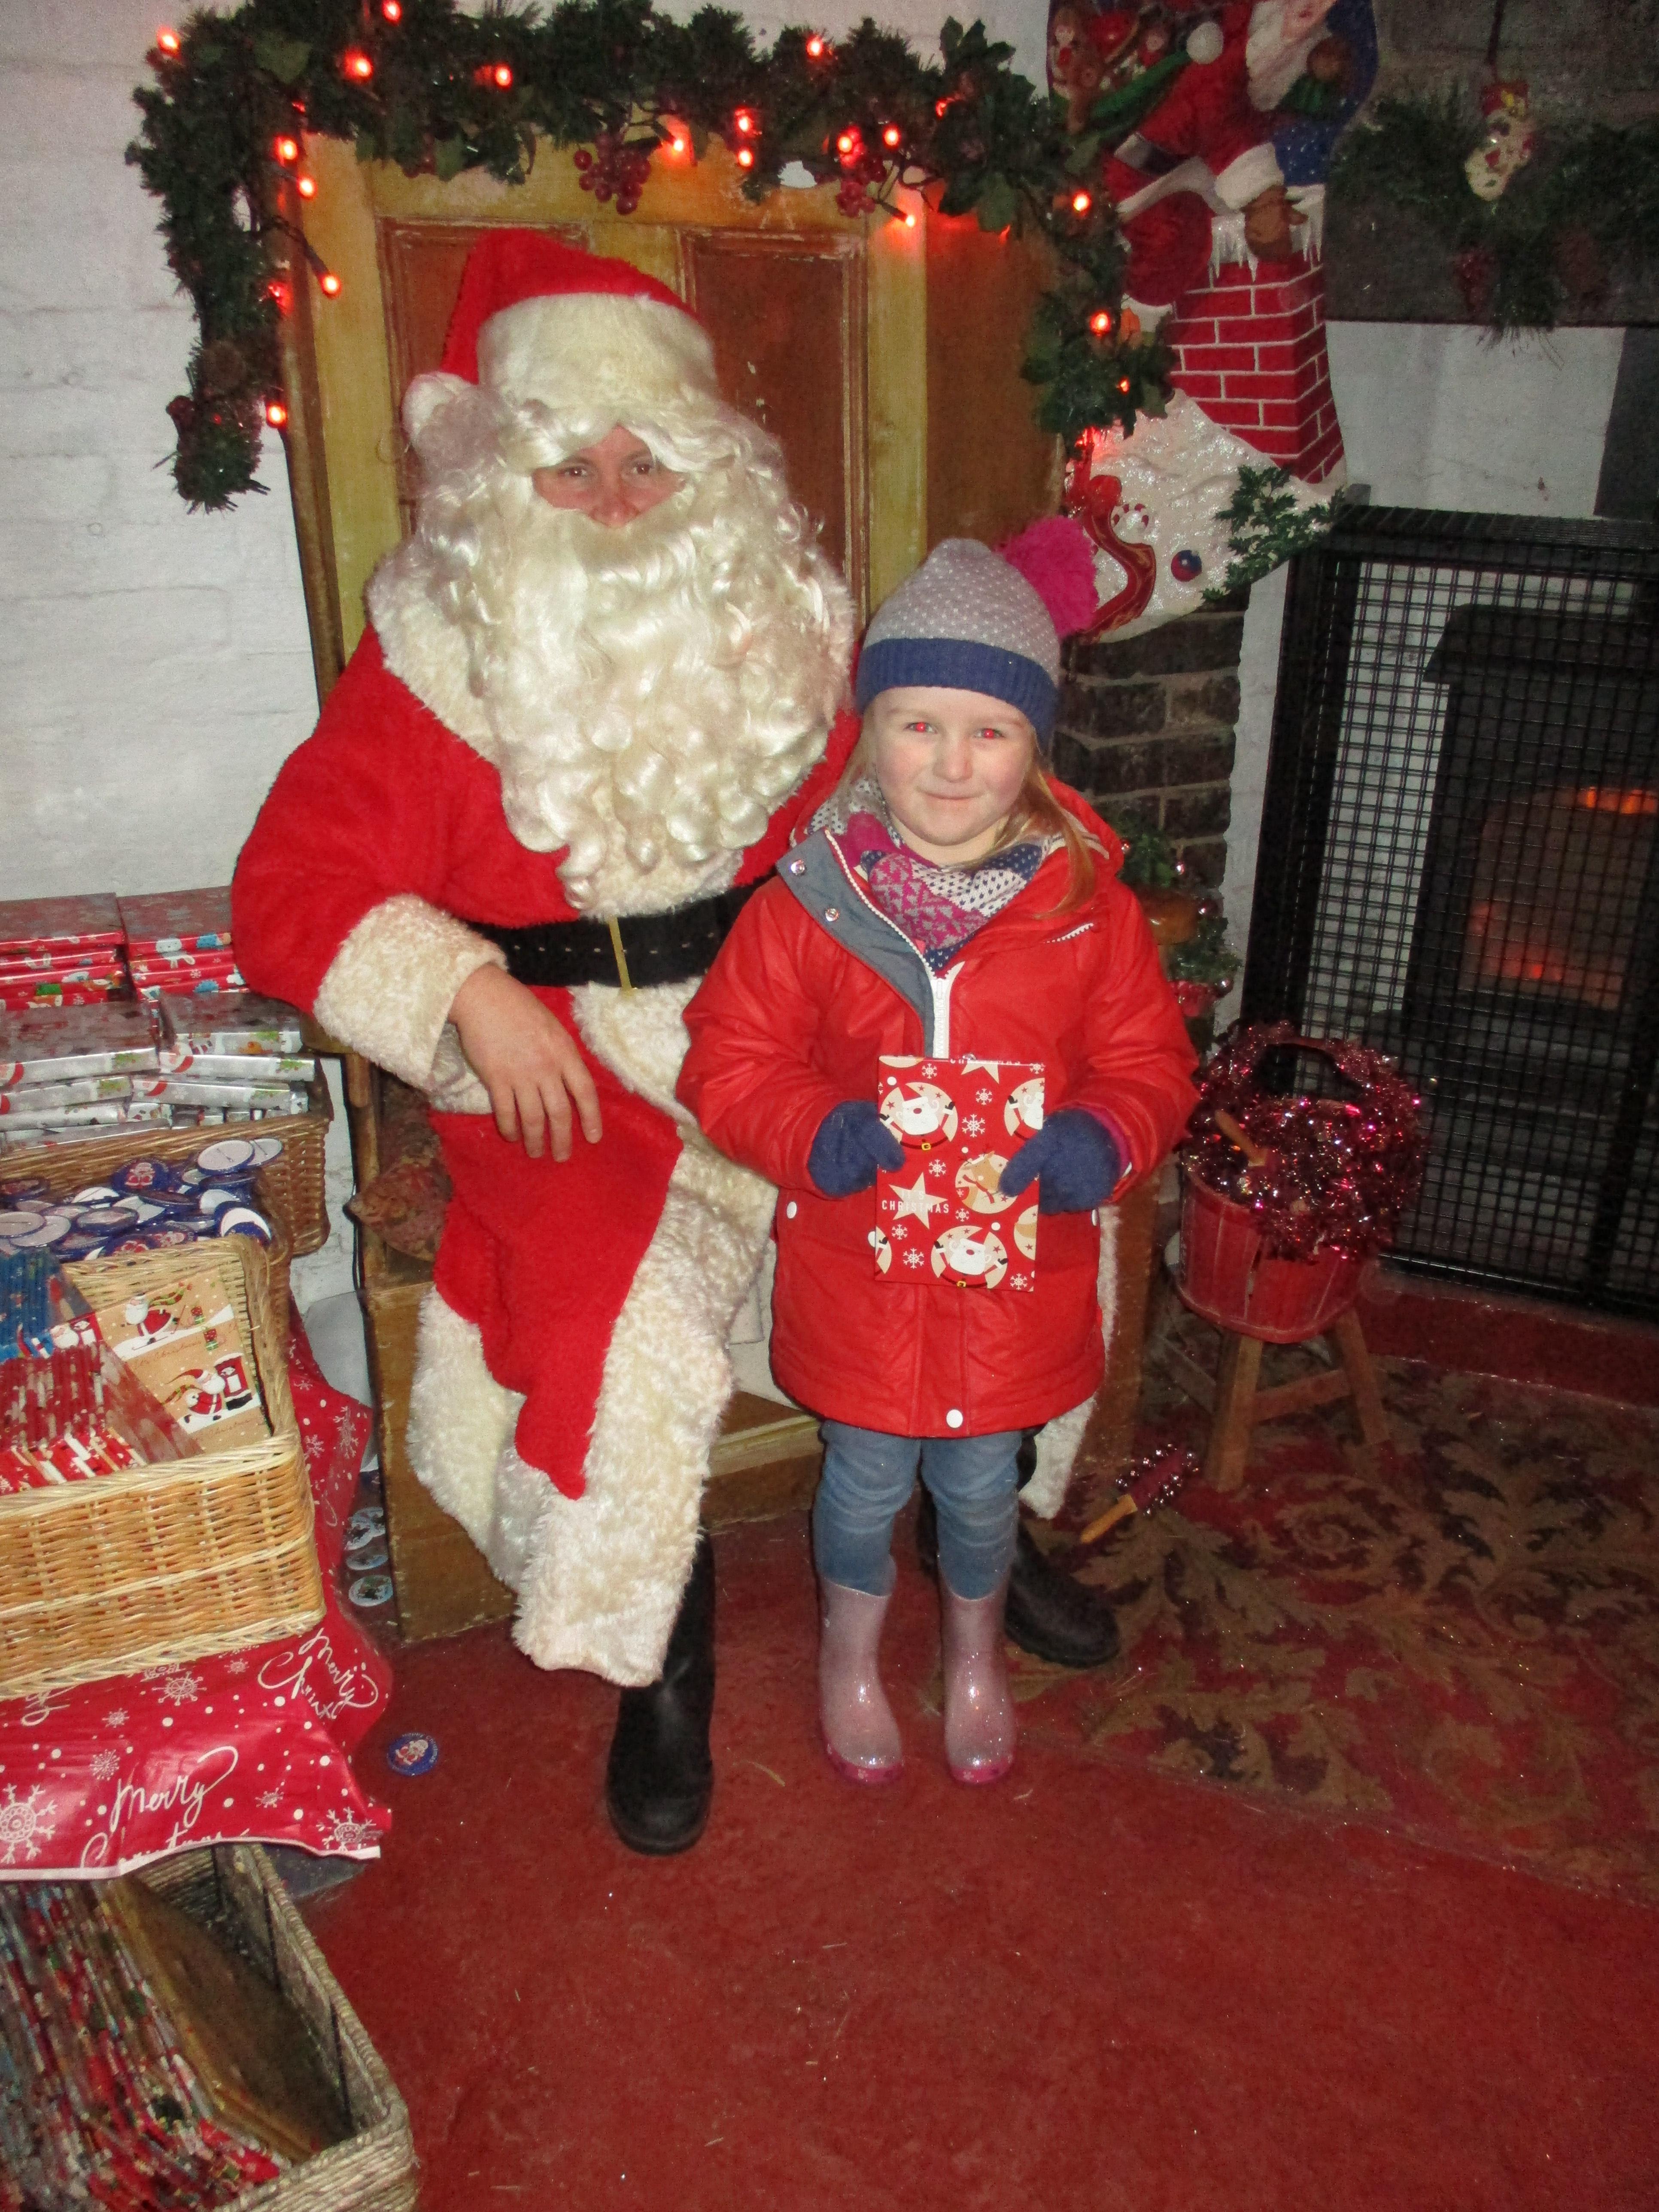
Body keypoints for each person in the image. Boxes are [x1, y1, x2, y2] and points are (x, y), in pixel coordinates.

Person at [233, 230, 858, 1855]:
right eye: (571, 465)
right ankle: (661, 1662)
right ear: (504, 476)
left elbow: (891, 837)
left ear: (706, 470)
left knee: (970, 1197)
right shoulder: (433, 657)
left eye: (646, 460)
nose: (614, 499)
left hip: (773, 1028)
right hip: (564, 1071)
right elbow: (290, 893)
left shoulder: (781, 628)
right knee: (633, 1330)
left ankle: (994, 1540)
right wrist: (464, 992)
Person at [676, 538, 1197, 1786]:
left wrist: (1104, 1136)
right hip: (857, 1273)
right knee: (860, 1484)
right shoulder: (803, 905)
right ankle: (849, 1659)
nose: (953, 765)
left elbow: (1151, 1066)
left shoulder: (1089, 910)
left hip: (1016, 1286)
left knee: (980, 1489)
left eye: (990, 732)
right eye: (919, 725)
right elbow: (729, 1061)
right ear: (869, 734)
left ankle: (975, 1656)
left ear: (1034, 749)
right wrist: (813, 1129)